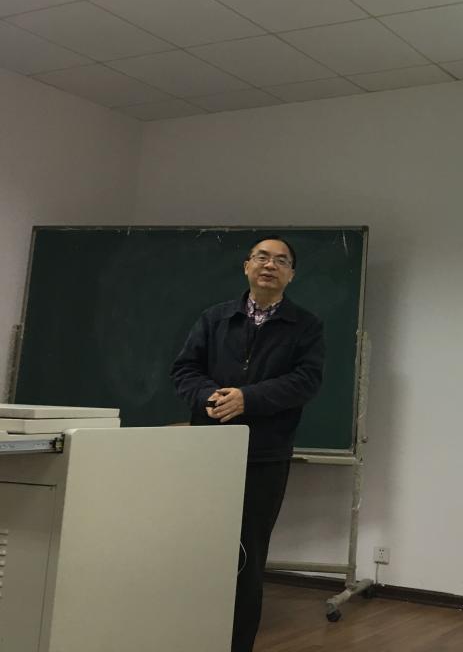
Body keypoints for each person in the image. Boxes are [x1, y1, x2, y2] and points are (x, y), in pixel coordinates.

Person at [170, 236, 325, 652]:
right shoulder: (214, 318)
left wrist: (247, 398)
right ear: (246, 266)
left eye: (280, 261)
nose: (269, 265)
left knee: (247, 557)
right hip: (208, 452)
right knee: (194, 549)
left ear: (291, 274)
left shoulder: (305, 325)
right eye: (262, 257)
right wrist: (209, 396)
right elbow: (184, 370)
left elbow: (306, 380)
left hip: (264, 457)